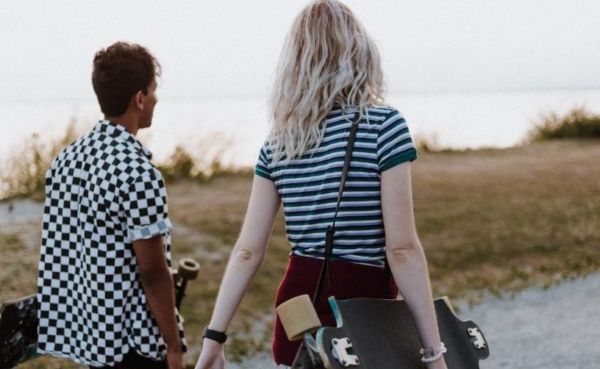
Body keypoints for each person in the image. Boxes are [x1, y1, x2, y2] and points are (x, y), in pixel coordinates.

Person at [195, 1, 448, 368]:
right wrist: (434, 352)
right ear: (359, 52)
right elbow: (402, 250)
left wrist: (213, 339)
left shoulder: (278, 144)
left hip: (298, 313)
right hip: (359, 318)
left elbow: (247, 251)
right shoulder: (383, 127)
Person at [37, 42, 186, 369]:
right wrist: (173, 346)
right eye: (153, 90)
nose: (156, 99)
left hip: (92, 336)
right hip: (133, 344)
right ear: (140, 99)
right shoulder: (139, 173)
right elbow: (152, 271)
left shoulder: (66, 160)